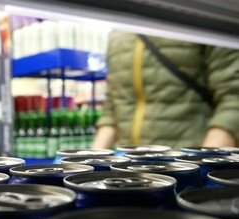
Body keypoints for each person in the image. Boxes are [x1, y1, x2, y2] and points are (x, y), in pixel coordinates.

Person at [92, 32, 239, 150]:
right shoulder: (119, 32)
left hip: (187, 164)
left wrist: (203, 168)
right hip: (130, 168)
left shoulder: (202, 15)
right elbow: (113, 106)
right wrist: (92, 164)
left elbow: (233, 97)